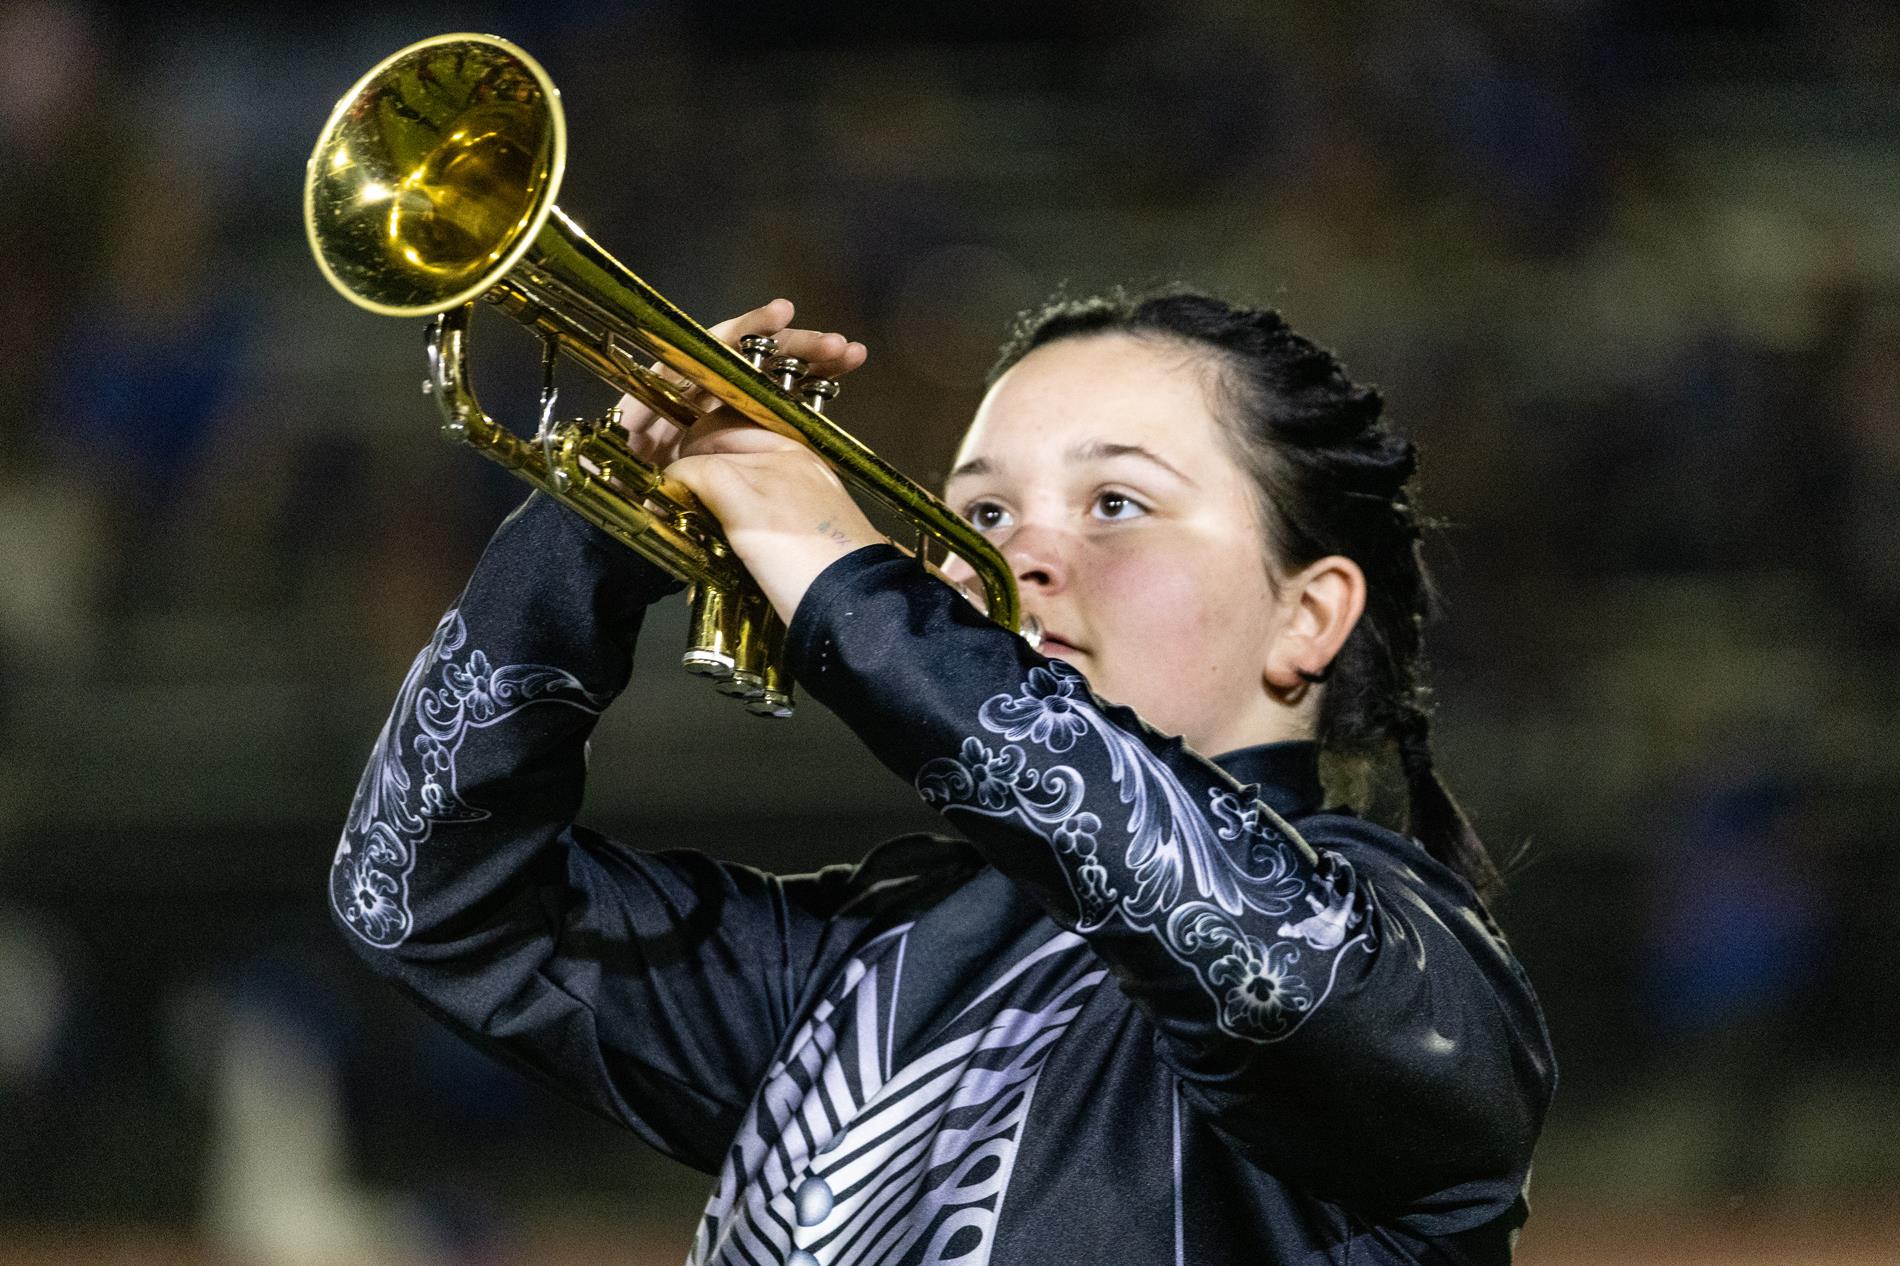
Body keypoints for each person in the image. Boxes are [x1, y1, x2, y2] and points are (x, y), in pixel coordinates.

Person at [329, 289, 1556, 1265]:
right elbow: (422, 896)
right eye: (978, 509)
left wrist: (850, 585)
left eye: (1115, 502)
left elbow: (1237, 941)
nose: (1016, 555)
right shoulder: (868, 961)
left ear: (1308, 616)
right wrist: (593, 527)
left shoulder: (1418, 971)